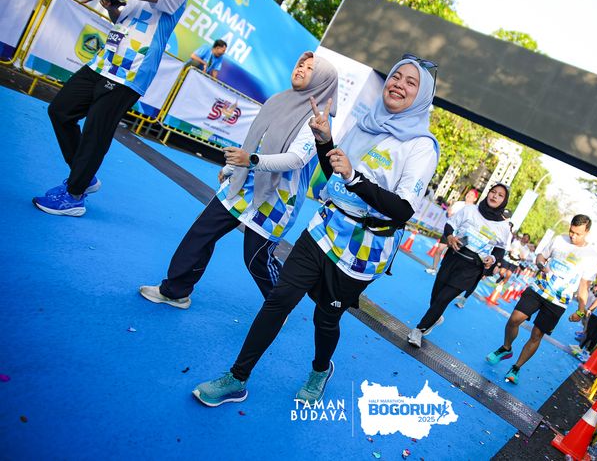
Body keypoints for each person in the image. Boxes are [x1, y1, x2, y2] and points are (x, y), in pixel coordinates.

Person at [191, 55, 439, 407]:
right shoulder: (365, 124)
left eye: (410, 82)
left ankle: (320, 370)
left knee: (326, 317)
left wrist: (354, 177)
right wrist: (325, 141)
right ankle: (237, 378)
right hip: (324, 227)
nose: (399, 84)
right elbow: (336, 171)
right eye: (396, 77)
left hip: (364, 247)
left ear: (422, 96)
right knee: (279, 300)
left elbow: (403, 209)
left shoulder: (421, 146)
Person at [138, 52, 338, 308]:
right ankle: (175, 291)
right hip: (244, 183)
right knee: (202, 232)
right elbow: (257, 140)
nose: (300, 69)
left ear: (322, 79)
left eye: (310, 68)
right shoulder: (279, 100)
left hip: (277, 198)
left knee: (255, 259)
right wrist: (233, 167)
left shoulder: (319, 118)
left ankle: (278, 305)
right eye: (300, 64)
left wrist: (249, 161)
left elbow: (296, 159)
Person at [32, 0, 187, 217]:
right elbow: (124, 21)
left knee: (96, 132)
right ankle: (84, 177)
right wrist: (113, 9)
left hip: (131, 72)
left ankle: (74, 196)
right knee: (60, 110)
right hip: (104, 62)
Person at [486, 214, 597, 384]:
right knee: (514, 319)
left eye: (578, 234)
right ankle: (506, 348)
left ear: (587, 232)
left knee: (537, 334)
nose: (573, 236)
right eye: (571, 231)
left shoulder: (591, 257)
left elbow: (584, 286)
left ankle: (516, 368)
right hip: (538, 288)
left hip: (558, 301)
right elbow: (541, 256)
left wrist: (581, 311)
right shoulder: (560, 240)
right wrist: (541, 265)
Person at [408, 184, 512, 347]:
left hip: (473, 267)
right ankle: (435, 318)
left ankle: (418, 330)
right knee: (436, 295)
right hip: (454, 257)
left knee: (443, 298)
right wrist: (450, 237)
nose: (495, 196)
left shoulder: (504, 226)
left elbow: (500, 249)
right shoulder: (470, 210)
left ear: (504, 201)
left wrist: (492, 258)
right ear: (488, 193)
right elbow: (450, 224)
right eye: (493, 192)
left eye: (500, 195)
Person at [425, 189, 478, 275]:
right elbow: (449, 215)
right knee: (440, 249)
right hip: (450, 231)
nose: (468, 195)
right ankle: (434, 268)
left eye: (471, 195)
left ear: (475, 199)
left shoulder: (475, 210)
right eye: (468, 193)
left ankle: (444, 272)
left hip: (461, 235)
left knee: (453, 255)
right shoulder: (459, 204)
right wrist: (448, 212)